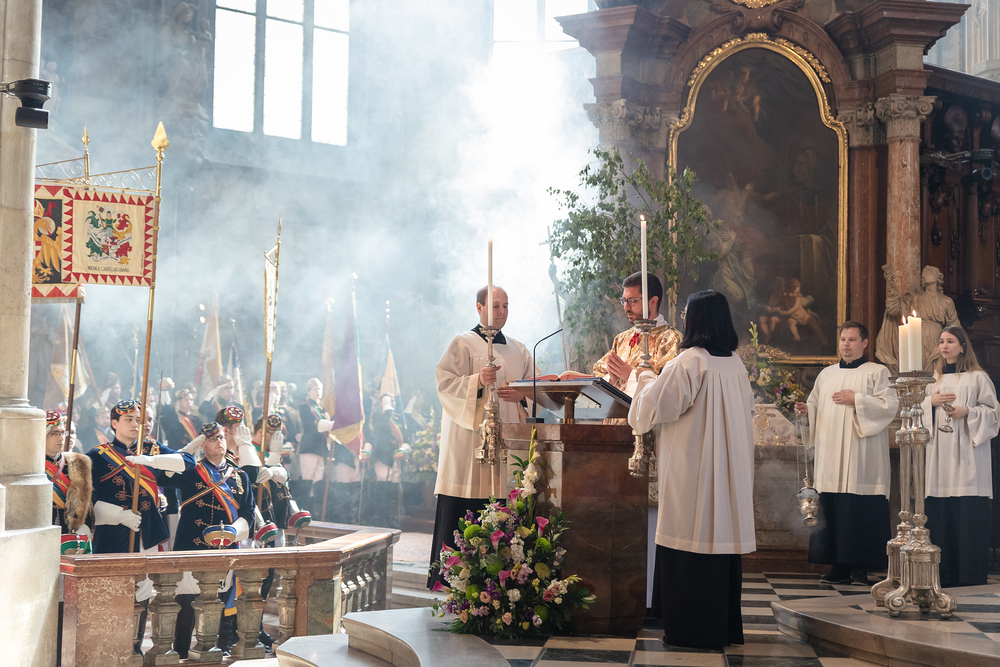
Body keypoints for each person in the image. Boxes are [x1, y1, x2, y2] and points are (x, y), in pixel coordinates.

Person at [628, 289, 755, 649]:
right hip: (725, 473)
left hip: (693, 471)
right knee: (718, 539)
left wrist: (643, 378)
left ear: (696, 319)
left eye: (685, 314)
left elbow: (654, 409)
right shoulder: (735, 363)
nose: (682, 318)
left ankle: (690, 631)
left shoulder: (689, 361)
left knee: (689, 535)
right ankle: (722, 628)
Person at [428, 285, 536, 589]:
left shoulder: (519, 350)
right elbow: (444, 385)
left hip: (507, 448)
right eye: (495, 305)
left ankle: (503, 586)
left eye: (505, 306)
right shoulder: (462, 343)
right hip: (469, 447)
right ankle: (455, 583)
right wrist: (477, 380)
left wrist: (523, 396)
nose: (501, 311)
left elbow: (538, 389)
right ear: (479, 307)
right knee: (466, 504)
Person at [794, 322, 898, 585]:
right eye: (843, 339)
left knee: (858, 508)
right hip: (830, 453)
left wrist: (857, 399)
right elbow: (815, 404)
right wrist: (807, 411)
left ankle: (861, 568)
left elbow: (889, 406)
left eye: (852, 339)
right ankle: (838, 567)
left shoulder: (877, 372)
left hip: (862, 453)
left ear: (865, 343)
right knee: (833, 506)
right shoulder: (827, 374)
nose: (846, 344)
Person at [146, 421, 253, 659]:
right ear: (202, 445)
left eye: (222, 437)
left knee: (221, 606)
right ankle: (182, 653)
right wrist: (186, 451)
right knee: (186, 607)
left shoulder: (240, 476)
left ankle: (217, 655)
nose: (219, 442)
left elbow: (248, 514)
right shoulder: (190, 470)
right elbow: (161, 477)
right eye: (212, 439)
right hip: (191, 546)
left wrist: (234, 531)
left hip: (225, 549)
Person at [922, 326, 999, 587]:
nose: (944, 346)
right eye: (941, 341)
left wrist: (967, 411)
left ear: (963, 346)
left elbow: (994, 413)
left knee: (968, 517)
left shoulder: (978, 378)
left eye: (950, 341)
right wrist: (930, 404)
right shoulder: (934, 380)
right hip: (940, 456)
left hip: (969, 455)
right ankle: (944, 576)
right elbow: (917, 412)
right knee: (942, 515)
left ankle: (970, 576)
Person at [592, 272, 681, 396]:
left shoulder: (671, 339)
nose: (626, 307)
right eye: (624, 301)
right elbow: (597, 372)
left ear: (653, 301)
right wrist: (612, 379)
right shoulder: (622, 338)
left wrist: (631, 375)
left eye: (632, 301)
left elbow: (669, 388)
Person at [44, 410, 93, 535]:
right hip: (43, 530)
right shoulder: (31, 465)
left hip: (72, 533)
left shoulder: (79, 462)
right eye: (54, 434)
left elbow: (86, 501)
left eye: (62, 433)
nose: (61, 438)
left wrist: (85, 526)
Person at [297, 378, 335, 513]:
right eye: (315, 389)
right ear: (308, 391)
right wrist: (331, 424)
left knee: (318, 481)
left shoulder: (321, 408)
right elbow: (310, 425)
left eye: (320, 389)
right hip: (309, 447)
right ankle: (304, 510)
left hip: (320, 449)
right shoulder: (305, 407)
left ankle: (314, 512)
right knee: (308, 480)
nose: (318, 392)